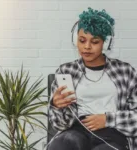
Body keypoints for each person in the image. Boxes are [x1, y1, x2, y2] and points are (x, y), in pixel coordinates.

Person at [47, 7, 137, 150]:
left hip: (112, 132)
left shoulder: (125, 71)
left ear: (105, 43)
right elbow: (59, 125)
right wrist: (56, 106)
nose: (87, 47)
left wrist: (108, 119)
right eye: (82, 40)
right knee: (60, 145)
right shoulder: (66, 71)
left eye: (94, 42)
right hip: (75, 130)